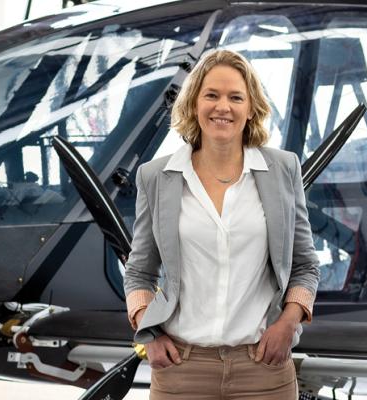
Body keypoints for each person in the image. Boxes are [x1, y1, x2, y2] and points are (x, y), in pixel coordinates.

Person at [123, 49, 320, 400]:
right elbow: (139, 273)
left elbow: (305, 265)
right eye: (211, 95)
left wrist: (288, 324)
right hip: (182, 369)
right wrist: (147, 332)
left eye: (235, 97)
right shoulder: (155, 177)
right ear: (194, 103)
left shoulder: (283, 169)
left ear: (251, 108)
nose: (222, 107)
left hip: (263, 368)